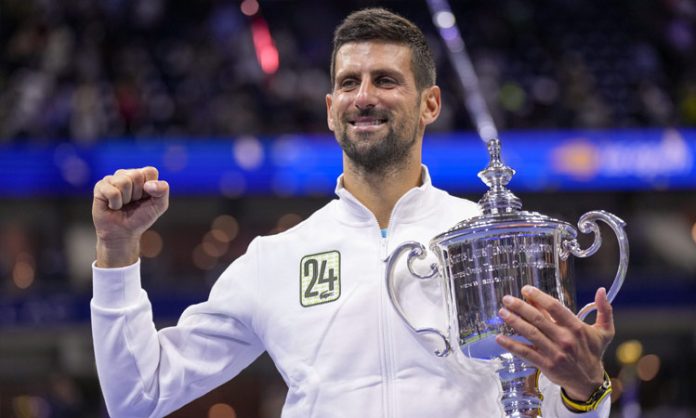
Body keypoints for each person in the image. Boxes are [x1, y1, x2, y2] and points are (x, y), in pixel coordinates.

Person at [91, 8, 614, 418]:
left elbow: (544, 406)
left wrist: (587, 391)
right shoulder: (275, 259)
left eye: (385, 80)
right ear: (329, 108)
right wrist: (117, 253)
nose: (364, 97)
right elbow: (139, 394)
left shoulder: (490, 239)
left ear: (430, 104)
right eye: (349, 82)